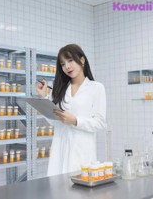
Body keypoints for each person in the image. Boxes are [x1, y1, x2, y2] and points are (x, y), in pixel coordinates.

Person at [36, 44, 107, 176]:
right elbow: (54, 122)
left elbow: (100, 123)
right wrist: (44, 97)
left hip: (82, 153)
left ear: (82, 60)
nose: (67, 66)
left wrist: (75, 121)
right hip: (60, 152)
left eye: (70, 60)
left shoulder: (96, 88)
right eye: (62, 64)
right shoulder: (59, 90)